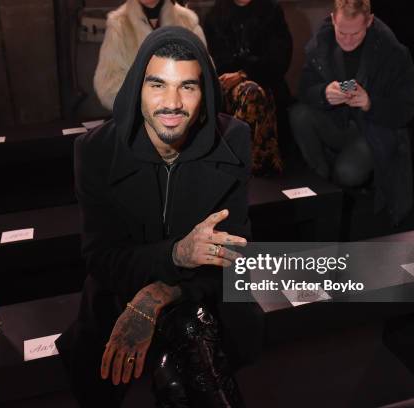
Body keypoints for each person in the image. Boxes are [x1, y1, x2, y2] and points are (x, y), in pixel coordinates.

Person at [56, 26, 264, 407]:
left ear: (205, 94)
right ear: (137, 88)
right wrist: (175, 255)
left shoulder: (232, 140)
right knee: (182, 352)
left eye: (188, 86)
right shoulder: (95, 152)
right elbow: (102, 258)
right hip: (121, 290)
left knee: (190, 331)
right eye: (158, 85)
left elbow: (235, 255)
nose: (173, 103)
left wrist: (159, 293)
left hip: (204, 291)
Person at [290, 0, 414, 223]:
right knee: (298, 114)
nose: (347, 40)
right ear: (332, 20)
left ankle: (344, 195)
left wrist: (370, 103)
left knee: (347, 172)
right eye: (341, 32)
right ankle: (321, 185)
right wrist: (324, 93)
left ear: (369, 22)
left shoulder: (393, 52)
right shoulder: (323, 42)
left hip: (375, 129)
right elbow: (304, 90)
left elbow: (407, 109)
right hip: (338, 122)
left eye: (355, 33)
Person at [204, 0, 293, 174]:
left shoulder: (271, 12)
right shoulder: (215, 16)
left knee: (253, 93)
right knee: (249, 94)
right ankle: (252, 165)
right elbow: (216, 63)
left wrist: (245, 72)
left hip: (268, 83)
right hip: (225, 90)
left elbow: (279, 60)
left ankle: (253, 167)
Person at [93, 0, 206, 111]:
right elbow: (108, 85)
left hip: (182, 113)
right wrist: (146, 105)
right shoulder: (118, 23)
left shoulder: (187, 21)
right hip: (138, 118)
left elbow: (204, 74)